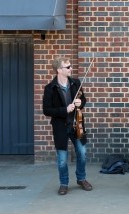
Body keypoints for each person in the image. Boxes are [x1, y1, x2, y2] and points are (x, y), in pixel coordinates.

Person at [43, 56, 93, 195]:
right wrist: (64, 110)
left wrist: (80, 103)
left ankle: (81, 179)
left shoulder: (75, 83)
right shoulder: (50, 88)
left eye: (70, 66)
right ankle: (64, 183)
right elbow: (46, 110)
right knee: (62, 160)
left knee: (82, 153)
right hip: (60, 127)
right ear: (59, 70)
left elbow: (83, 99)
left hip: (77, 125)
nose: (71, 69)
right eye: (68, 67)